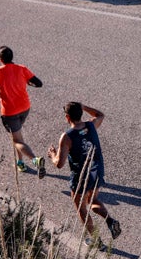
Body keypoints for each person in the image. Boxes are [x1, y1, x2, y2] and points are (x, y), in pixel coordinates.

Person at [48, 101, 121, 243]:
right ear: (81, 113)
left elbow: (59, 164)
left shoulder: (67, 136)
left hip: (81, 177)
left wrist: (53, 155)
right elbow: (100, 115)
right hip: (96, 171)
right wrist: (85, 107)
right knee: (92, 200)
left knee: (82, 209)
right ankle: (110, 221)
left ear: (67, 118)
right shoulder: (91, 125)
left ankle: (96, 241)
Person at [0, 45, 45, 177]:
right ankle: (20, 162)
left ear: (0, 59)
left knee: (17, 140)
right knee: (18, 135)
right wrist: (26, 83)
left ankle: (35, 160)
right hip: (25, 107)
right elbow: (38, 83)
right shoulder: (22, 69)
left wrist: (4, 94)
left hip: (10, 111)